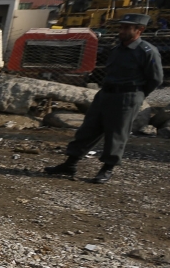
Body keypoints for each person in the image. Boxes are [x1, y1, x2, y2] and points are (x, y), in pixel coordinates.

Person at [45, 13, 163, 183]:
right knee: (89, 128)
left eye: (126, 28)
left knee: (116, 133)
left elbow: (156, 79)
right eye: (121, 27)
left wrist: (137, 94)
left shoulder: (147, 51)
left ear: (139, 30)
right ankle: (70, 164)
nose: (121, 31)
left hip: (127, 96)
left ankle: (107, 169)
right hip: (106, 94)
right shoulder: (117, 49)